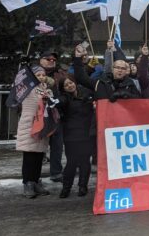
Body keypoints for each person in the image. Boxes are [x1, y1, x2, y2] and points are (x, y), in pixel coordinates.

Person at [17, 66, 54, 198]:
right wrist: (23, 67)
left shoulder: (46, 90)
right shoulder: (27, 89)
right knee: (29, 156)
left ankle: (36, 181)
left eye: (43, 75)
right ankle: (27, 183)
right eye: (38, 75)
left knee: (39, 156)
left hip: (42, 125)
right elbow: (18, 83)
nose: (41, 77)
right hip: (29, 125)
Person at [56, 75, 96, 198]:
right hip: (71, 135)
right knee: (71, 162)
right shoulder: (64, 98)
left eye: (71, 83)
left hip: (86, 134)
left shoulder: (86, 93)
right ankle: (66, 188)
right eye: (66, 85)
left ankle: (82, 186)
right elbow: (61, 102)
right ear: (63, 88)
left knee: (84, 161)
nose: (70, 86)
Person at [73, 42, 141, 102]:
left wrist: (127, 95)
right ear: (112, 69)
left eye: (123, 68)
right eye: (117, 67)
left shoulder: (130, 84)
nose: (120, 70)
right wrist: (78, 58)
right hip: (103, 115)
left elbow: (139, 100)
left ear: (126, 71)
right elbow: (81, 78)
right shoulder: (100, 82)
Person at [39, 50, 65, 183]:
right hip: (38, 116)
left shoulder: (59, 74)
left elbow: (67, 87)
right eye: (48, 59)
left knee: (57, 146)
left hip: (55, 115)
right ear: (41, 60)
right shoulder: (33, 73)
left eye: (54, 60)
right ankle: (34, 176)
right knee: (37, 147)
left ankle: (56, 172)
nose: (51, 61)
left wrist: (60, 101)